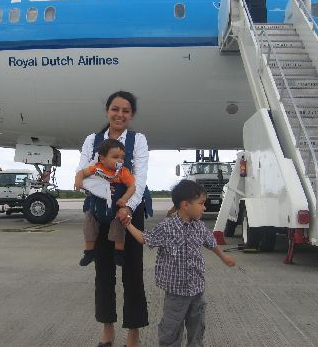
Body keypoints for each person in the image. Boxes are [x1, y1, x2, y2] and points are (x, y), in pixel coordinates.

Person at [76, 90, 150, 347]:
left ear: (132, 114)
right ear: (107, 111)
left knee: (133, 273)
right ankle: (107, 330)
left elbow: (139, 178)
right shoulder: (92, 140)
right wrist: (104, 195)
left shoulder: (138, 140)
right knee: (103, 273)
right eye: (115, 109)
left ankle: (133, 333)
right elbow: (82, 173)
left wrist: (127, 206)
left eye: (125, 111)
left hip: (130, 211)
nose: (120, 115)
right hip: (100, 211)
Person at [123, 179, 236, 347]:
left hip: (197, 290)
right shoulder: (167, 227)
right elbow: (145, 238)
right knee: (171, 329)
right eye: (201, 203)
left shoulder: (199, 227)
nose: (204, 207)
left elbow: (211, 242)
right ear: (185, 205)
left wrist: (224, 257)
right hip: (176, 293)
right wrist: (128, 224)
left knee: (197, 327)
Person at [75, 138, 136, 267]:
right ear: (102, 159)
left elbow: (132, 186)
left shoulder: (123, 172)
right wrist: (78, 180)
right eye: (115, 157)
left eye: (122, 157)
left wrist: (124, 199)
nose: (120, 160)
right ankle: (89, 252)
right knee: (89, 224)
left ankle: (118, 253)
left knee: (119, 226)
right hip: (97, 208)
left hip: (115, 209)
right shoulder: (96, 168)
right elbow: (81, 172)